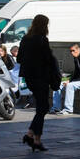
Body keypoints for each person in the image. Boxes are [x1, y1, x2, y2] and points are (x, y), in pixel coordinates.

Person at [16, 15, 60, 150]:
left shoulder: (25, 39)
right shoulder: (42, 40)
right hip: (41, 78)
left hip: (29, 78)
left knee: (42, 107)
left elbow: (19, 59)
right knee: (43, 108)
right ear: (44, 26)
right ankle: (34, 139)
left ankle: (33, 137)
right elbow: (48, 60)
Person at [52, 43, 80, 114]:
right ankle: (56, 108)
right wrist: (69, 80)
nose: (72, 53)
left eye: (73, 50)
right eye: (70, 51)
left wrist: (70, 82)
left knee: (70, 86)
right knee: (58, 85)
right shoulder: (76, 59)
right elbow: (76, 73)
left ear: (78, 50)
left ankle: (68, 110)